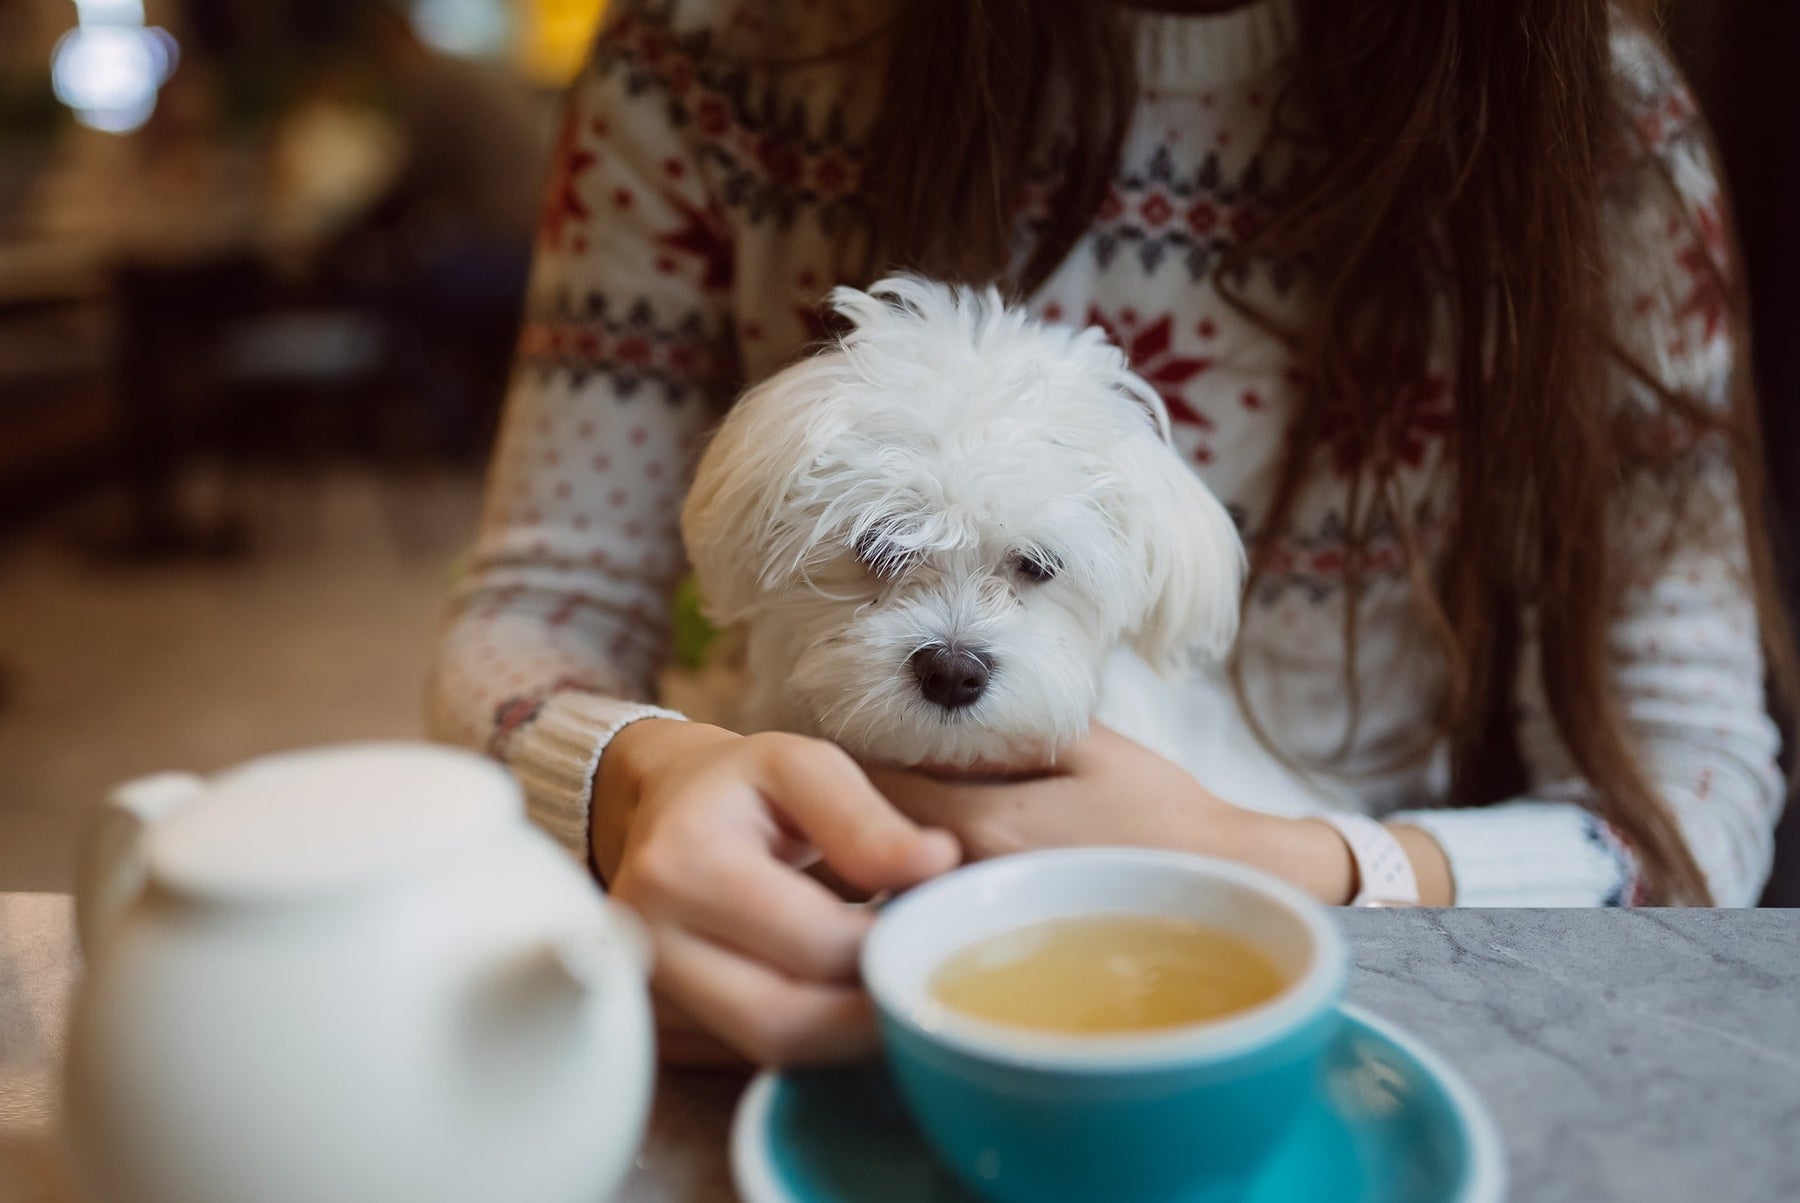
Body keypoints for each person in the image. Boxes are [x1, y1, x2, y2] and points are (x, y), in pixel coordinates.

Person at [427, 0, 1794, 1066]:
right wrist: (634, 780)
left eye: (1027, 570)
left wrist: (1295, 866)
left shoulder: (1589, 128)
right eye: (890, 555)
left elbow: (1692, 799)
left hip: (1363, 976)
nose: (955, 643)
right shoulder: (713, 55)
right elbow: (541, 603)